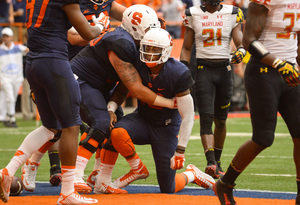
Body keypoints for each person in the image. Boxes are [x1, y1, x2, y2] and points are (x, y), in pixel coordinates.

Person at [0, 0, 110, 203]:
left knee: (51, 127)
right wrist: (101, 25)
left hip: (34, 63)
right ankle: (67, 191)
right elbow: (87, 33)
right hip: (54, 62)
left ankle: (8, 170)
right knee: (71, 126)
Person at [93, 27, 215, 194]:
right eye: (147, 48)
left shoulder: (178, 72)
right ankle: (135, 170)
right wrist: (111, 108)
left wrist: (180, 150)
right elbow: (122, 89)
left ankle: (191, 174)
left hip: (167, 127)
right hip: (142, 120)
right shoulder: (138, 64)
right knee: (116, 132)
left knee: (168, 188)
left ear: (166, 51)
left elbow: (187, 116)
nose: (149, 53)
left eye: (155, 49)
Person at [21, 0, 127, 190]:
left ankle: (96, 173)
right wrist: (101, 28)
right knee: (62, 125)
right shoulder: (75, 3)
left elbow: (130, 15)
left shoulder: (107, 3)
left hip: (93, 72)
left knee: (110, 120)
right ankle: (34, 163)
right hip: (67, 66)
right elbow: (74, 37)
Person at [213, 1, 300, 205]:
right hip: (265, 72)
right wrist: (278, 63)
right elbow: (249, 39)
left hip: (291, 72)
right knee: (263, 138)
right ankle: (225, 183)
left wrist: (295, 65)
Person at [180, 0, 245, 179]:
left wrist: (241, 51)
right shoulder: (192, 13)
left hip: (225, 69)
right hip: (203, 70)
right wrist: (182, 70)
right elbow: (186, 47)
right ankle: (210, 162)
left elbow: (240, 42)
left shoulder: (233, 12)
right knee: (206, 118)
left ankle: (217, 160)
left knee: (221, 120)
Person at [0, 27, 28, 128]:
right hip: (5, 78)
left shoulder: (18, 48)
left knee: (13, 98)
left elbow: (28, 50)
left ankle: (7, 117)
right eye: (4, 36)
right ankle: (12, 118)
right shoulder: (0, 50)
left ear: (11, 37)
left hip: (17, 78)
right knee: (10, 98)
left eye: (7, 36)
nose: (5, 38)